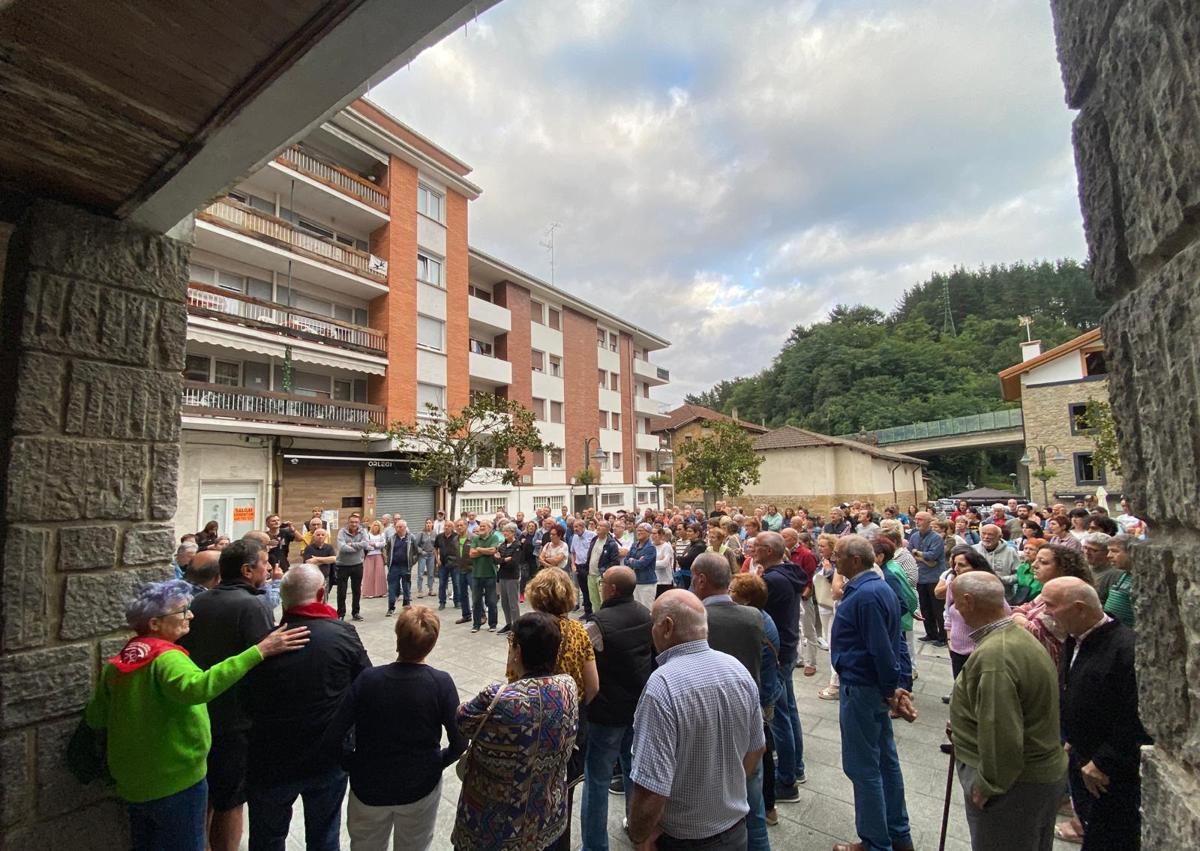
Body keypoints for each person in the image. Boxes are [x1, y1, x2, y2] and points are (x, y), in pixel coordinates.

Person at [84, 580, 309, 851]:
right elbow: (198, 688)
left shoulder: (122, 660)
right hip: (174, 778)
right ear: (155, 623)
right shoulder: (166, 659)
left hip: (133, 780)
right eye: (181, 611)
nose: (190, 615)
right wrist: (259, 651)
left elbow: (96, 716)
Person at [242, 566, 370, 851]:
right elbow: (365, 685)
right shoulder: (342, 634)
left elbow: (247, 701)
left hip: (271, 758)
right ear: (322, 594)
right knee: (324, 835)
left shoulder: (263, 645)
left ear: (284, 599)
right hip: (327, 755)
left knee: (266, 838)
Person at [627, 591, 765, 850]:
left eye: (653, 623)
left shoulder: (663, 685)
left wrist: (639, 835)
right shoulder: (737, 669)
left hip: (682, 839)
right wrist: (724, 793)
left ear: (667, 627)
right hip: (735, 831)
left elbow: (651, 787)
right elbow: (756, 747)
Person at [321, 606, 465, 851]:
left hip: (369, 785)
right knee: (414, 845)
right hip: (419, 786)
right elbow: (461, 741)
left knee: (365, 845)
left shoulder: (368, 680)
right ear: (432, 643)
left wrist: (350, 763)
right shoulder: (440, 683)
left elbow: (333, 735)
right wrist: (437, 761)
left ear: (397, 637)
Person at [949, 572, 1067, 851]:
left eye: (956, 603)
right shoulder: (1013, 636)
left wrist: (989, 784)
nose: (954, 610)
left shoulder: (996, 656)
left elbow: (1001, 729)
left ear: (968, 601)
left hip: (1016, 786)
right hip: (1033, 779)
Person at [177, 539, 278, 851]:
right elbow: (266, 665)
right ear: (247, 571)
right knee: (231, 801)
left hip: (200, 712)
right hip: (236, 721)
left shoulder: (199, 603)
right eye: (264, 563)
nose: (270, 568)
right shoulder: (253, 606)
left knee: (204, 793)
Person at [453, 612, 580, 851]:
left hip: (492, 830)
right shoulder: (567, 687)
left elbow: (462, 721)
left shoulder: (498, 699)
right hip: (547, 822)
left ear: (518, 652)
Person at [1043, 577, 1151, 850]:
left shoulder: (1126, 649)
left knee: (1110, 833)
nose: (1045, 612)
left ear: (1079, 608)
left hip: (1109, 769)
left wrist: (1104, 760)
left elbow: (1136, 714)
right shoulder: (1075, 637)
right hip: (1083, 753)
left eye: (1051, 605)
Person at [830, 535, 914, 851]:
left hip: (862, 687)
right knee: (885, 763)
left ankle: (876, 842)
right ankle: (898, 834)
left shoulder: (865, 595)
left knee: (863, 767)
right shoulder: (877, 589)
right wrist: (896, 685)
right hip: (873, 686)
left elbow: (881, 648)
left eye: (837, 555)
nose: (833, 561)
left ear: (854, 560)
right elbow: (895, 643)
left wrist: (892, 687)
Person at [691, 553, 770, 850]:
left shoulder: (698, 618)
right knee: (753, 798)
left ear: (700, 580)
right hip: (747, 711)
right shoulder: (754, 616)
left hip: (707, 718)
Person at [581, 566, 654, 851]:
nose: (599, 587)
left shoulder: (597, 623)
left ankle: (595, 846)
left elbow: (584, 665)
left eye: (602, 583)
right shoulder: (646, 613)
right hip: (637, 707)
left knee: (597, 779)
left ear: (610, 589)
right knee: (633, 768)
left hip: (607, 713)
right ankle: (637, 829)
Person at [758, 530, 808, 801]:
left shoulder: (772, 580)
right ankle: (795, 767)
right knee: (788, 711)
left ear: (768, 551)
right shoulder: (789, 572)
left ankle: (786, 780)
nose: (751, 549)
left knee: (779, 717)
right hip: (787, 648)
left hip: (777, 653)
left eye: (756, 546)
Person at [1012, 544, 1094, 667]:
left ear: (1063, 568)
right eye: (1036, 560)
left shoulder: (1068, 596)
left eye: (1043, 562)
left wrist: (1017, 617)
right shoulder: (1047, 589)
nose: (1034, 565)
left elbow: (1035, 632)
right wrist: (1019, 615)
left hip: (1049, 665)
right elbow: (1022, 608)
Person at [873, 538, 918, 689]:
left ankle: (903, 690)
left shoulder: (888, 573)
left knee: (899, 655)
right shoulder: (887, 568)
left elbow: (901, 603)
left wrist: (886, 619)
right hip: (892, 623)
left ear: (880, 556)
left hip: (891, 624)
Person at [909, 511, 947, 646]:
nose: (917, 522)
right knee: (925, 607)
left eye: (920, 519)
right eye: (916, 519)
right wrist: (923, 558)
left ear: (928, 522)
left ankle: (942, 637)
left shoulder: (936, 538)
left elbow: (933, 556)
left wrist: (918, 554)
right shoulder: (914, 536)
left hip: (934, 578)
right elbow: (910, 552)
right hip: (921, 577)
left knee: (938, 609)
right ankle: (930, 633)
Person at [467, 519, 502, 633]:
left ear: (489, 528)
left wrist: (479, 549)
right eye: (480, 526)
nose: (481, 528)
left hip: (490, 574)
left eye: (484, 526)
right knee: (476, 601)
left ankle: (492, 624)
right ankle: (476, 624)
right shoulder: (476, 538)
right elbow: (471, 554)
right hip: (476, 574)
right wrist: (484, 551)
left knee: (491, 601)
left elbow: (493, 550)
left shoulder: (494, 538)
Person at [334, 513, 369, 621]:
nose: (354, 524)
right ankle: (341, 614)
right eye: (352, 522)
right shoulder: (342, 532)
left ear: (359, 523)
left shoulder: (363, 531)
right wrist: (357, 547)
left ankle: (356, 612)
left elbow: (366, 544)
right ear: (348, 522)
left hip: (357, 565)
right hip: (342, 566)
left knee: (357, 591)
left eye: (356, 522)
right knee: (341, 592)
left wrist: (351, 545)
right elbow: (342, 547)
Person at [584, 521, 621, 614]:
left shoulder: (611, 544)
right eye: (598, 525)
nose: (598, 527)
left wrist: (605, 573)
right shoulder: (594, 539)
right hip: (591, 575)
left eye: (602, 526)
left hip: (602, 577)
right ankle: (596, 618)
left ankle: (605, 619)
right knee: (594, 600)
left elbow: (615, 562)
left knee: (604, 601)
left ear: (608, 529)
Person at [383, 519, 418, 615]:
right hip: (394, 567)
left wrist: (411, 562)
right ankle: (391, 608)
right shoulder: (392, 538)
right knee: (392, 588)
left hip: (405, 567)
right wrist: (387, 561)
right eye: (397, 527)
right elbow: (386, 550)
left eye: (400, 527)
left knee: (406, 587)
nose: (398, 529)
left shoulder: (411, 538)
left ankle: (406, 605)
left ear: (405, 527)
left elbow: (416, 552)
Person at [496, 522, 525, 634]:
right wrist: (504, 559)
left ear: (513, 532)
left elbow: (514, 562)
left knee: (513, 603)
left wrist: (501, 559)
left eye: (507, 531)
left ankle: (517, 626)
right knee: (504, 603)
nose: (505, 533)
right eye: (504, 531)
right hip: (502, 576)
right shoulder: (502, 545)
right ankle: (508, 624)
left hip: (512, 576)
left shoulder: (517, 545)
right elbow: (495, 559)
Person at [972, 524, 1020, 592]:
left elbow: (1019, 575)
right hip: (977, 593)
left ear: (1000, 537)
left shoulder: (1010, 552)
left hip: (1003, 595)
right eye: (983, 534)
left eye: (990, 534)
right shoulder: (973, 550)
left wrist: (1001, 579)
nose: (986, 537)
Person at [1102, 534, 1134, 627]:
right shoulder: (1122, 575)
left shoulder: (1141, 579)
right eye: (1109, 551)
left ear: (1131, 552)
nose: (1109, 556)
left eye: (1114, 551)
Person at [624, 523, 658, 609]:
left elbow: (641, 564)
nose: (638, 532)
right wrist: (635, 561)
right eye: (638, 530)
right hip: (635, 581)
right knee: (636, 608)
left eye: (641, 531)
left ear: (648, 533)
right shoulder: (634, 545)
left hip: (647, 583)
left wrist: (632, 560)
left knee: (647, 608)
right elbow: (625, 560)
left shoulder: (650, 547)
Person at [570, 518, 599, 617]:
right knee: (584, 590)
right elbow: (573, 552)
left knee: (592, 590)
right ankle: (587, 612)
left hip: (589, 566)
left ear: (582, 526)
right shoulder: (574, 537)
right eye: (574, 527)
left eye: (577, 527)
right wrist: (573, 565)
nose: (575, 529)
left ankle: (596, 612)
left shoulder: (592, 535)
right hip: (579, 566)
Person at [435, 518, 463, 613]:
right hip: (443, 563)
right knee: (442, 583)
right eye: (445, 526)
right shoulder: (439, 536)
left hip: (455, 563)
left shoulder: (457, 536)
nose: (446, 527)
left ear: (453, 528)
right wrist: (437, 559)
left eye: (449, 526)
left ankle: (457, 601)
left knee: (456, 583)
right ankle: (442, 602)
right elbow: (435, 548)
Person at [1081, 532, 1118, 604]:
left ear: (1107, 552)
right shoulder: (1082, 566)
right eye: (1085, 548)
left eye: (1093, 550)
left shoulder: (1114, 574)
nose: (1087, 552)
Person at [1014, 537, 1048, 604]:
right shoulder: (1021, 567)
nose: (1027, 551)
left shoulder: (1044, 569)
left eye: (1031, 549)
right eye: (1025, 548)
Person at [674, 523, 706, 589]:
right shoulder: (691, 545)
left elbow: (687, 560)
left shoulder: (699, 546)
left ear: (697, 533)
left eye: (690, 531)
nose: (687, 533)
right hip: (685, 577)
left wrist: (678, 558)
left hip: (691, 577)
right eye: (687, 531)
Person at [362, 520, 388, 600]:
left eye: (377, 525)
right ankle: (368, 593)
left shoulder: (382, 534)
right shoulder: (368, 534)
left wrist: (374, 544)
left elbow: (383, 543)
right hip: (369, 556)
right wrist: (374, 546)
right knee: (369, 574)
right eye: (374, 525)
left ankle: (381, 592)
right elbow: (366, 544)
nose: (376, 527)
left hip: (379, 555)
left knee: (380, 574)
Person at [412, 518, 437, 598]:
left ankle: (431, 589)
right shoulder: (421, 533)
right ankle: (420, 591)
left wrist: (435, 551)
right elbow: (415, 545)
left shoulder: (434, 533)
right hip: (423, 555)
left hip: (431, 555)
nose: (428, 524)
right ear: (425, 524)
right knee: (420, 574)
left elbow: (436, 544)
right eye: (427, 523)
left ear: (432, 524)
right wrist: (421, 551)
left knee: (431, 574)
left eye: (430, 523)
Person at [652, 526, 675, 598]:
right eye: (651, 533)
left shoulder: (666, 546)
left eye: (655, 533)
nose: (652, 536)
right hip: (654, 580)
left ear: (661, 535)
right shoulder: (651, 546)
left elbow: (664, 563)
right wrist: (658, 561)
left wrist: (650, 563)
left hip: (665, 581)